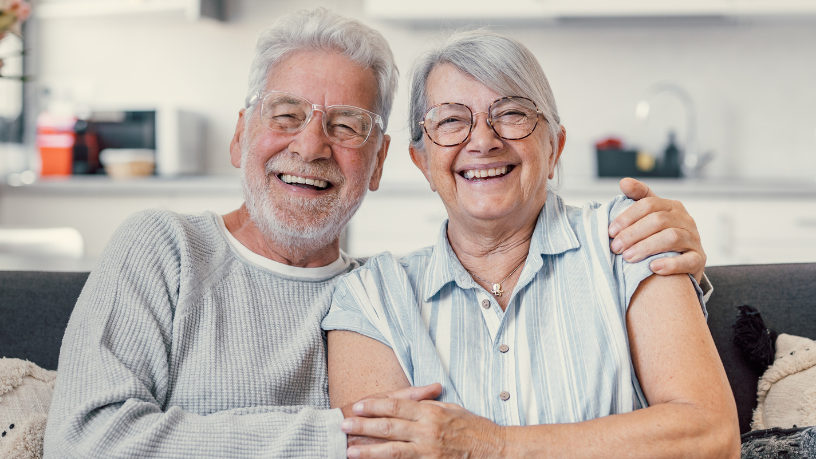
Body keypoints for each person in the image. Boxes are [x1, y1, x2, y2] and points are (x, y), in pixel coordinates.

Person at [44, 9, 712, 459]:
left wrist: (679, 264)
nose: (311, 146)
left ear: (383, 160)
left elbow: (706, 430)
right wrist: (335, 436)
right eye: (287, 115)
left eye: (346, 125)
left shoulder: (369, 297)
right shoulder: (169, 249)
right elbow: (83, 441)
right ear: (242, 134)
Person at [324, 30, 739, 459]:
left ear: (554, 147)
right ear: (423, 162)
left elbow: (710, 436)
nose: (483, 141)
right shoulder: (372, 299)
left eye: (511, 114)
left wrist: (493, 446)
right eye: (450, 121)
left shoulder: (629, 237)